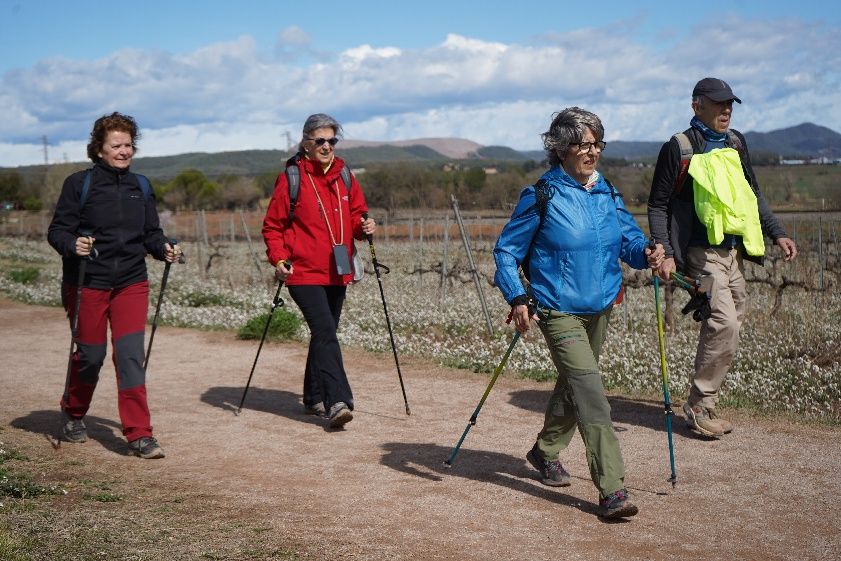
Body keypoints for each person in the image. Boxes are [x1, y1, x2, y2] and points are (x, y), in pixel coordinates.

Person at [494, 107, 664, 519]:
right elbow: (506, 251)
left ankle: (545, 450)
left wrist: (647, 252)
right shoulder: (542, 195)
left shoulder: (606, 192)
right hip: (557, 309)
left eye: (597, 143)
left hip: (601, 305)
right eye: (584, 144)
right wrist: (518, 297)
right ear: (561, 148)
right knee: (591, 392)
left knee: (574, 385)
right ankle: (612, 489)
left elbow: (627, 241)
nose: (592, 151)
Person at [647, 78, 797, 438]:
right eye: (718, 103)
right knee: (723, 323)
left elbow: (752, 193)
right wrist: (665, 251)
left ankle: (706, 400)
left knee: (730, 325)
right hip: (700, 254)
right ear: (696, 105)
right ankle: (699, 406)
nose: (726, 109)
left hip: (732, 252)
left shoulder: (735, 142)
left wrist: (777, 231)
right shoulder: (679, 147)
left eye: (729, 103)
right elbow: (658, 204)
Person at [47, 112, 181, 459]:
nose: (124, 151)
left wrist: (163, 247)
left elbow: (150, 233)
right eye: (116, 145)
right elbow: (58, 231)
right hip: (88, 282)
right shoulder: (80, 184)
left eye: (128, 145)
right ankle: (73, 411)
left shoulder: (141, 186)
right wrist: (72, 244)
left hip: (131, 282)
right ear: (100, 150)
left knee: (131, 357)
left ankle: (139, 434)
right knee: (91, 356)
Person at [262, 113, 375, 429]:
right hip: (302, 271)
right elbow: (273, 225)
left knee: (324, 333)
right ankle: (337, 400)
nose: (327, 146)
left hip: (338, 270)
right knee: (325, 331)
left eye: (332, 140)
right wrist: (279, 258)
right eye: (320, 141)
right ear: (306, 143)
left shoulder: (345, 176)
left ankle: (313, 396)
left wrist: (365, 226)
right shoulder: (292, 178)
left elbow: (356, 219)